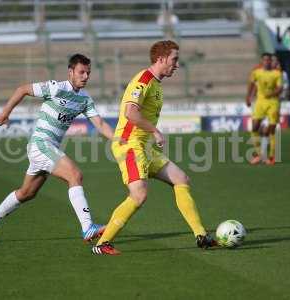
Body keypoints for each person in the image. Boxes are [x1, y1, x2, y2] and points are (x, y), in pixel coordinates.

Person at [91, 40, 216, 255]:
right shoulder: (144, 80)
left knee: (181, 179)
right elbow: (131, 112)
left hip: (145, 148)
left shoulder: (156, 84)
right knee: (139, 194)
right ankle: (102, 244)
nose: (177, 65)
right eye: (174, 59)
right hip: (129, 145)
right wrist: (155, 131)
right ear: (161, 59)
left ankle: (201, 235)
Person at [0, 54, 114, 243]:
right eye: (81, 72)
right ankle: (87, 228)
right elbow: (22, 89)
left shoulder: (84, 99)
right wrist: (5, 113)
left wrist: (118, 139)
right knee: (75, 175)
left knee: (27, 193)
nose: (85, 76)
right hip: (41, 145)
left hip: (47, 148)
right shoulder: (56, 87)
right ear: (71, 72)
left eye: (88, 73)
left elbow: (99, 124)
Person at [245, 53, 282, 166]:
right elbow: (251, 83)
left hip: (273, 103)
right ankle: (259, 155)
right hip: (260, 102)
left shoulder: (277, 73)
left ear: (271, 61)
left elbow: (280, 88)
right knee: (255, 127)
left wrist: (271, 93)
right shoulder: (257, 72)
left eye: (269, 60)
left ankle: (271, 157)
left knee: (271, 129)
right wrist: (248, 96)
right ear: (262, 61)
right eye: (264, 60)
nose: (267, 62)